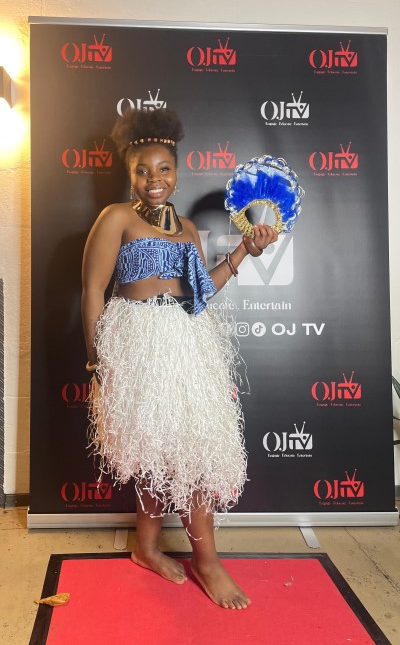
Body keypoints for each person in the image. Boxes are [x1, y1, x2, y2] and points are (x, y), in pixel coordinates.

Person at [81, 108, 278, 610]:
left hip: (186, 344)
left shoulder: (187, 228)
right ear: (130, 173)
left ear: (176, 171)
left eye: (164, 168)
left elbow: (200, 295)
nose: (154, 179)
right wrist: (98, 362)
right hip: (136, 344)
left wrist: (243, 253)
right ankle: (147, 548)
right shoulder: (116, 218)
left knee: (195, 451)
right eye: (142, 170)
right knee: (152, 450)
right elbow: (93, 290)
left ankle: (204, 560)